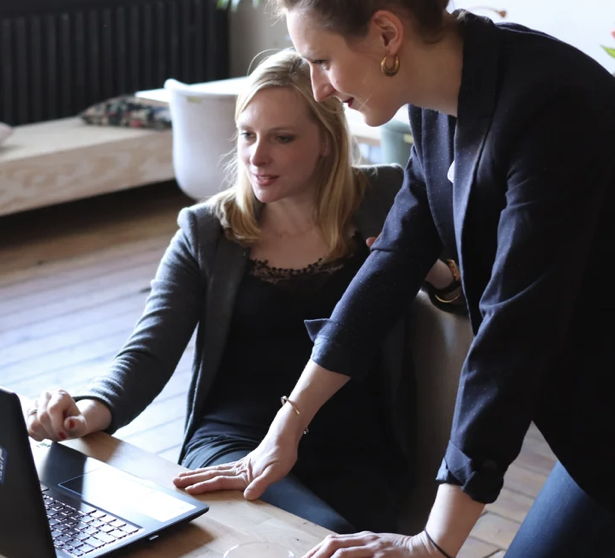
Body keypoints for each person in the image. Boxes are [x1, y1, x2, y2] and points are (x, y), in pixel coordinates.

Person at [172, 2, 615, 557]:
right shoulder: (437, 106)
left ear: (386, 33)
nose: (320, 88)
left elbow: (514, 332)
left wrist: (433, 544)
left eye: (322, 60)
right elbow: (392, 262)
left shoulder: (551, 104)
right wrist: (285, 429)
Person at [26, 49, 460, 535]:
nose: (257, 156)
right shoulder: (207, 231)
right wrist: (87, 411)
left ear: (326, 141)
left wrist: (435, 274)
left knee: (326, 533)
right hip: (233, 444)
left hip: (356, 452)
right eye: (248, 135)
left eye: (282, 138)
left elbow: (468, 300)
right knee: (307, 533)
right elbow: (148, 351)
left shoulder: (386, 198)